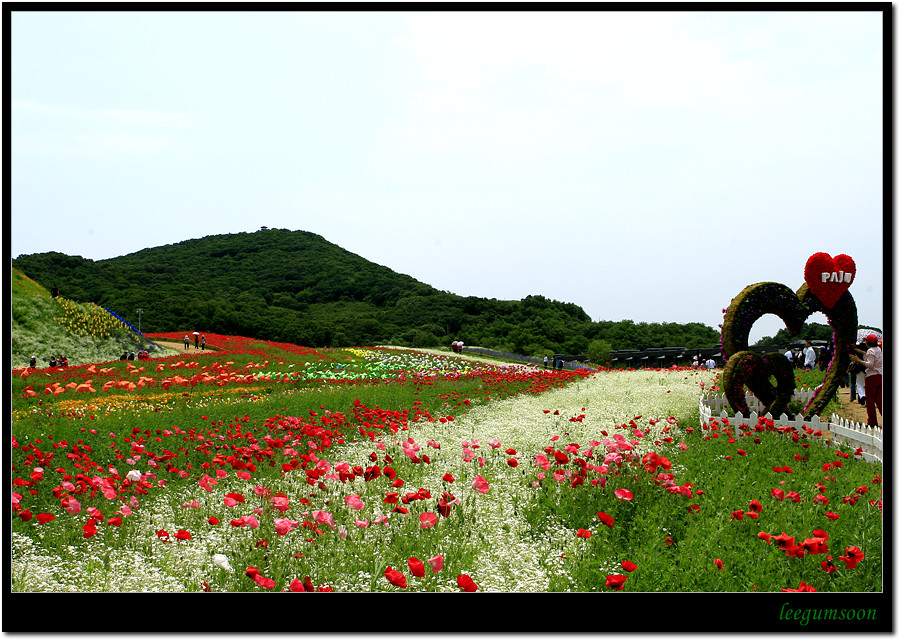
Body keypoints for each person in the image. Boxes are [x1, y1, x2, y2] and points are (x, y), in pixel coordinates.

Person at [850, 334, 883, 427]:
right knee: (879, 400)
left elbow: (869, 364)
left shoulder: (870, 351)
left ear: (868, 342)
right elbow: (871, 356)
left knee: (870, 400)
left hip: (871, 377)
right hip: (879, 376)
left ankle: (872, 421)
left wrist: (858, 360)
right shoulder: (879, 350)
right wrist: (859, 351)